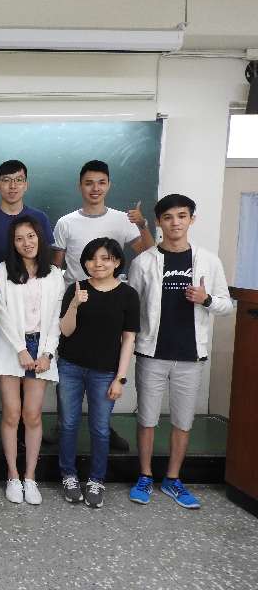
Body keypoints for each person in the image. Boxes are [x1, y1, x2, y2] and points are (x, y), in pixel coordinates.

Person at [127, 194, 233, 509]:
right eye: (169, 217)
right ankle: (145, 475)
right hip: (152, 352)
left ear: (192, 219)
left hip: (190, 355)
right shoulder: (143, 262)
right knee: (147, 418)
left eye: (182, 216)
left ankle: (173, 479)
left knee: (183, 421)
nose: (175, 223)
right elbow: (131, 308)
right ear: (158, 222)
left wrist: (206, 299)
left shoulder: (209, 261)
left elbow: (226, 305)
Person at [52, 159, 154, 452]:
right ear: (80, 186)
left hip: (110, 302)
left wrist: (142, 224)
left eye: (101, 182)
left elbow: (148, 253)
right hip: (76, 300)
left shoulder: (123, 220)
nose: (95, 188)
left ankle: (104, 426)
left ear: (109, 185)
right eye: (89, 183)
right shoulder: (66, 222)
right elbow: (56, 267)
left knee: (104, 367)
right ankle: (62, 425)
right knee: (68, 364)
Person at [0, 160, 54, 447]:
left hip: (31, 312)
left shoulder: (39, 218)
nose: (12, 185)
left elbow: (49, 261)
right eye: (6, 180)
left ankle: (23, 430)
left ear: (26, 184)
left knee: (26, 373)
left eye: (18, 180)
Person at [0, 215, 64, 505]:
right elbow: (0, 313)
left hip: (42, 347)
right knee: (11, 413)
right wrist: (21, 349)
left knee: (32, 415)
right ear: (13, 243)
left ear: (40, 238)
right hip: (9, 347)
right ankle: (13, 475)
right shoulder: (3, 270)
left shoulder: (54, 274)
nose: (26, 243)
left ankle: (30, 477)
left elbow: (56, 319)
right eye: (19, 239)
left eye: (31, 236)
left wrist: (47, 353)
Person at [57, 238, 140, 508]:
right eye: (92, 259)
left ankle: (96, 480)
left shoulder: (128, 295)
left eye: (105, 258)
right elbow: (65, 331)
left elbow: (129, 339)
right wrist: (74, 304)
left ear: (117, 261)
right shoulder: (76, 288)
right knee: (68, 424)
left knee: (100, 428)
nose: (98, 264)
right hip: (70, 367)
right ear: (85, 263)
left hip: (105, 372)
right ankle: (68, 476)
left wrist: (120, 378)